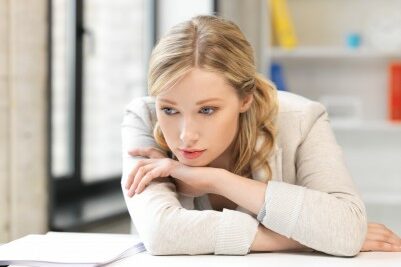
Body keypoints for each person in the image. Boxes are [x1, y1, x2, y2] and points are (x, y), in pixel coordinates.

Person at [121, 15, 401, 256]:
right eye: (169, 110)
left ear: (245, 99)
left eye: (207, 110)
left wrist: (216, 180)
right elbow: (161, 232)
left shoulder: (302, 119)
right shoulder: (143, 119)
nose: (185, 135)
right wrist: (294, 238)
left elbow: (345, 228)